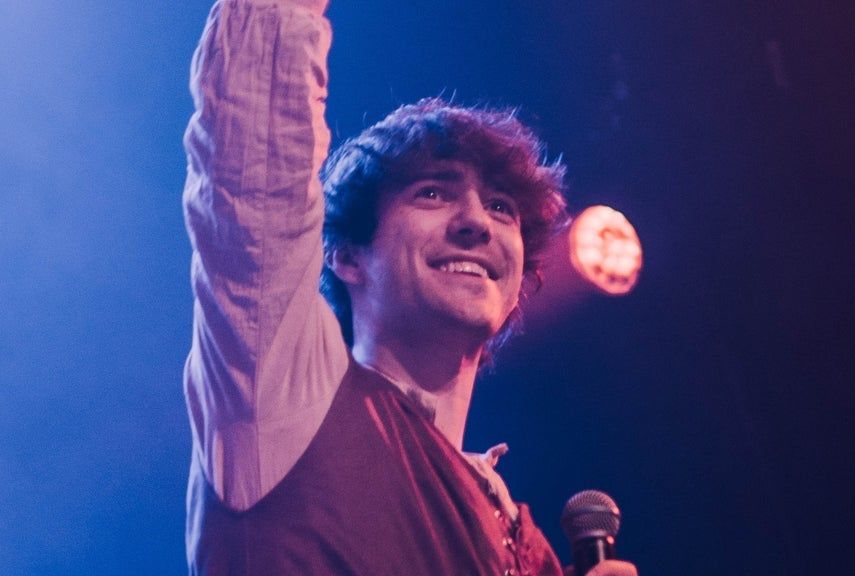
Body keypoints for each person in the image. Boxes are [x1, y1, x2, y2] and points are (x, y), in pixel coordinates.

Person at [182, 1, 637, 575]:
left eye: (501, 207)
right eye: (432, 193)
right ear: (347, 255)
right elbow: (253, 157)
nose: (477, 222)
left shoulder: (527, 544)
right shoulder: (282, 397)